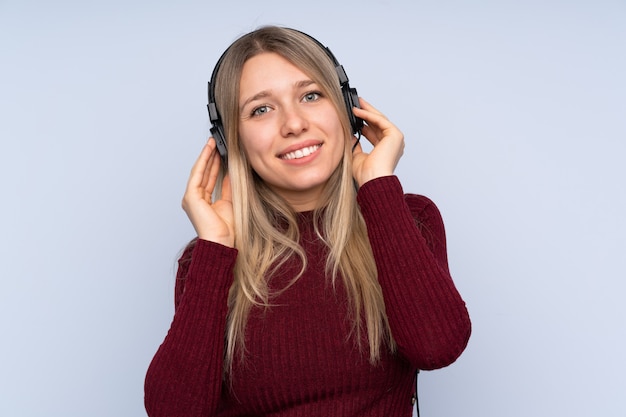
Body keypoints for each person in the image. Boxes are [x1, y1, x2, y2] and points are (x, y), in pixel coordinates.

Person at [144, 25, 471, 417]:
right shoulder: (210, 260)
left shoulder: (410, 220)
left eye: (311, 95)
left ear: (347, 110)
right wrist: (215, 250)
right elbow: (173, 412)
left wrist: (378, 187)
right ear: (232, 141)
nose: (294, 124)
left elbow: (436, 347)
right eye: (261, 109)